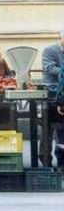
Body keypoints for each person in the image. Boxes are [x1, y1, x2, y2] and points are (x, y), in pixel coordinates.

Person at [41, 31, 64, 168]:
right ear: (60, 38)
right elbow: (50, 68)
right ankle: (45, 161)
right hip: (51, 95)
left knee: (62, 131)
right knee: (47, 129)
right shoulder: (49, 51)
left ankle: (61, 162)